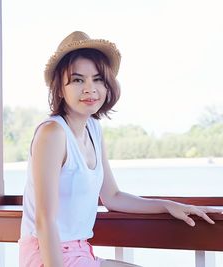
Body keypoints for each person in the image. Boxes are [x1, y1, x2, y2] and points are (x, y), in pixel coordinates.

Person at [19, 31, 223, 267]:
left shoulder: (93, 129)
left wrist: (169, 205)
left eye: (97, 79)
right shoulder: (52, 134)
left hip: (80, 252)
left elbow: (112, 197)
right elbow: (45, 221)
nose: (89, 88)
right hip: (46, 254)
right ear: (59, 87)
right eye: (77, 80)